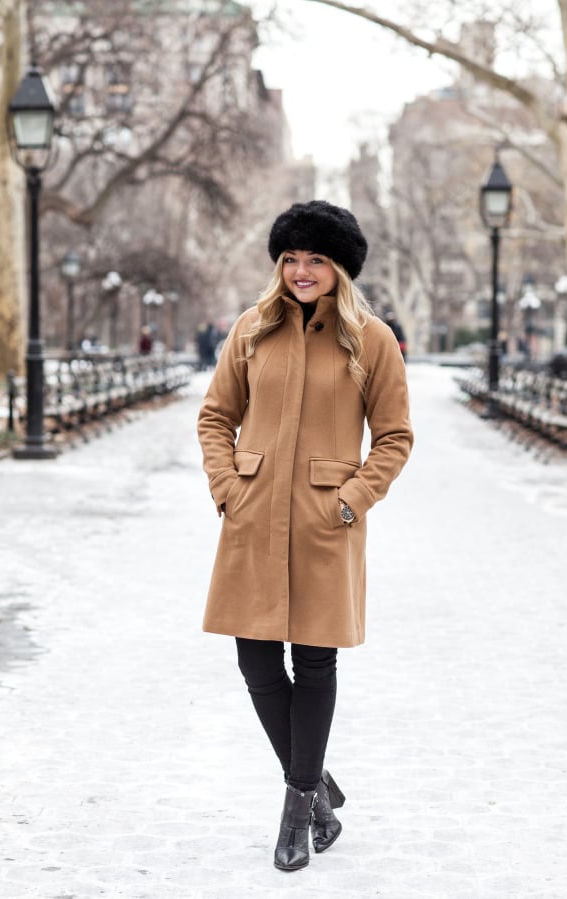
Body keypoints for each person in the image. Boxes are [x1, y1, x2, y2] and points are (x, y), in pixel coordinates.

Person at [197, 200, 413, 872]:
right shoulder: (251, 329)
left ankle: (298, 810)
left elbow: (395, 437)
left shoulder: (371, 339)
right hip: (254, 519)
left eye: (316, 259)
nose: (301, 271)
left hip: (326, 524)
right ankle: (317, 785)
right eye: (291, 258)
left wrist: (351, 502)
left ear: (340, 267)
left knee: (315, 664)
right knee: (257, 664)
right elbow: (215, 417)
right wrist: (228, 487)